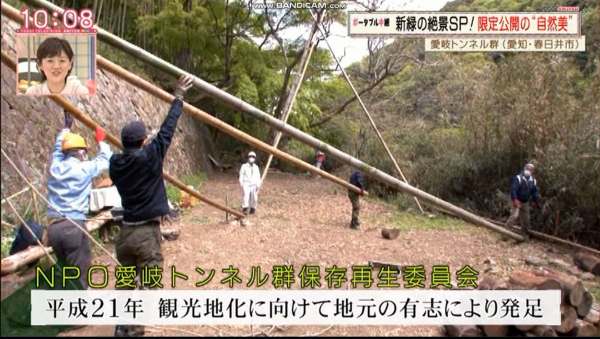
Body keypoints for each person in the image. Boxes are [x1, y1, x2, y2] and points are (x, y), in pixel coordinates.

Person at [109, 75, 193, 337]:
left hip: (125, 234)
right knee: (149, 285)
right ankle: (133, 331)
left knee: (124, 282)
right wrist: (178, 97)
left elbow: (152, 141)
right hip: (146, 234)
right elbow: (167, 130)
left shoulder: (115, 163)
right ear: (144, 141)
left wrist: (147, 141)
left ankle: (121, 325)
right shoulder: (150, 157)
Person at [46, 111, 111, 289]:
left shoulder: (55, 166)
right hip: (73, 226)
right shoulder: (85, 169)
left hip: (54, 229)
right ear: (81, 152)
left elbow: (57, 151)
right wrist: (101, 141)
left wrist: (66, 128)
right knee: (80, 273)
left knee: (64, 269)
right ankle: (80, 309)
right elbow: (105, 159)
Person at [25, 37, 89, 96]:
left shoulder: (80, 91)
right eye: (50, 61)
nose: (56, 66)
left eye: (62, 61)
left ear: (70, 64)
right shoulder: (33, 92)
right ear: (40, 64)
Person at [505, 163, 540, 240]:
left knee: (526, 219)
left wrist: (536, 202)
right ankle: (505, 233)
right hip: (516, 200)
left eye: (531, 169)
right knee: (514, 216)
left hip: (525, 202)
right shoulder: (518, 178)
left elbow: (534, 192)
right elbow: (513, 189)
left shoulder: (533, 181)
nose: (529, 170)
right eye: (528, 168)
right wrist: (515, 200)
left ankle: (525, 235)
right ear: (525, 168)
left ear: (533, 171)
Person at [239, 151, 261, 215]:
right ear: (248, 158)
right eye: (250, 156)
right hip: (246, 183)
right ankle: (245, 208)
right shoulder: (244, 166)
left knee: (254, 197)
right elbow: (241, 175)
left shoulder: (256, 167)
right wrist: (241, 183)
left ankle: (252, 208)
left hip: (254, 184)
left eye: (253, 157)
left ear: (255, 158)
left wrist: (258, 184)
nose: (252, 158)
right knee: (246, 196)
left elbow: (258, 176)